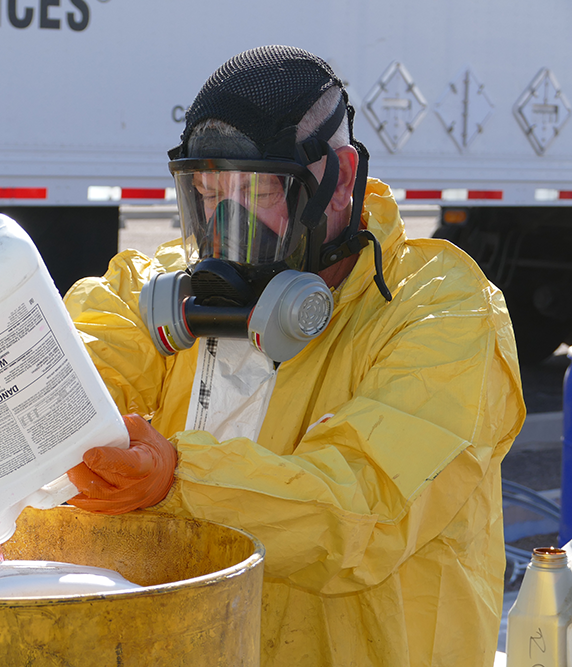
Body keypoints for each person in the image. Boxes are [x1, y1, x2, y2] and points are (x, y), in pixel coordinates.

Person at [64, 45, 526, 666]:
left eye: (254, 192)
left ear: (336, 183)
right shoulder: (157, 289)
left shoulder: (443, 311)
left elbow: (365, 509)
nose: (224, 219)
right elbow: (73, 371)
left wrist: (178, 479)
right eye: (207, 191)